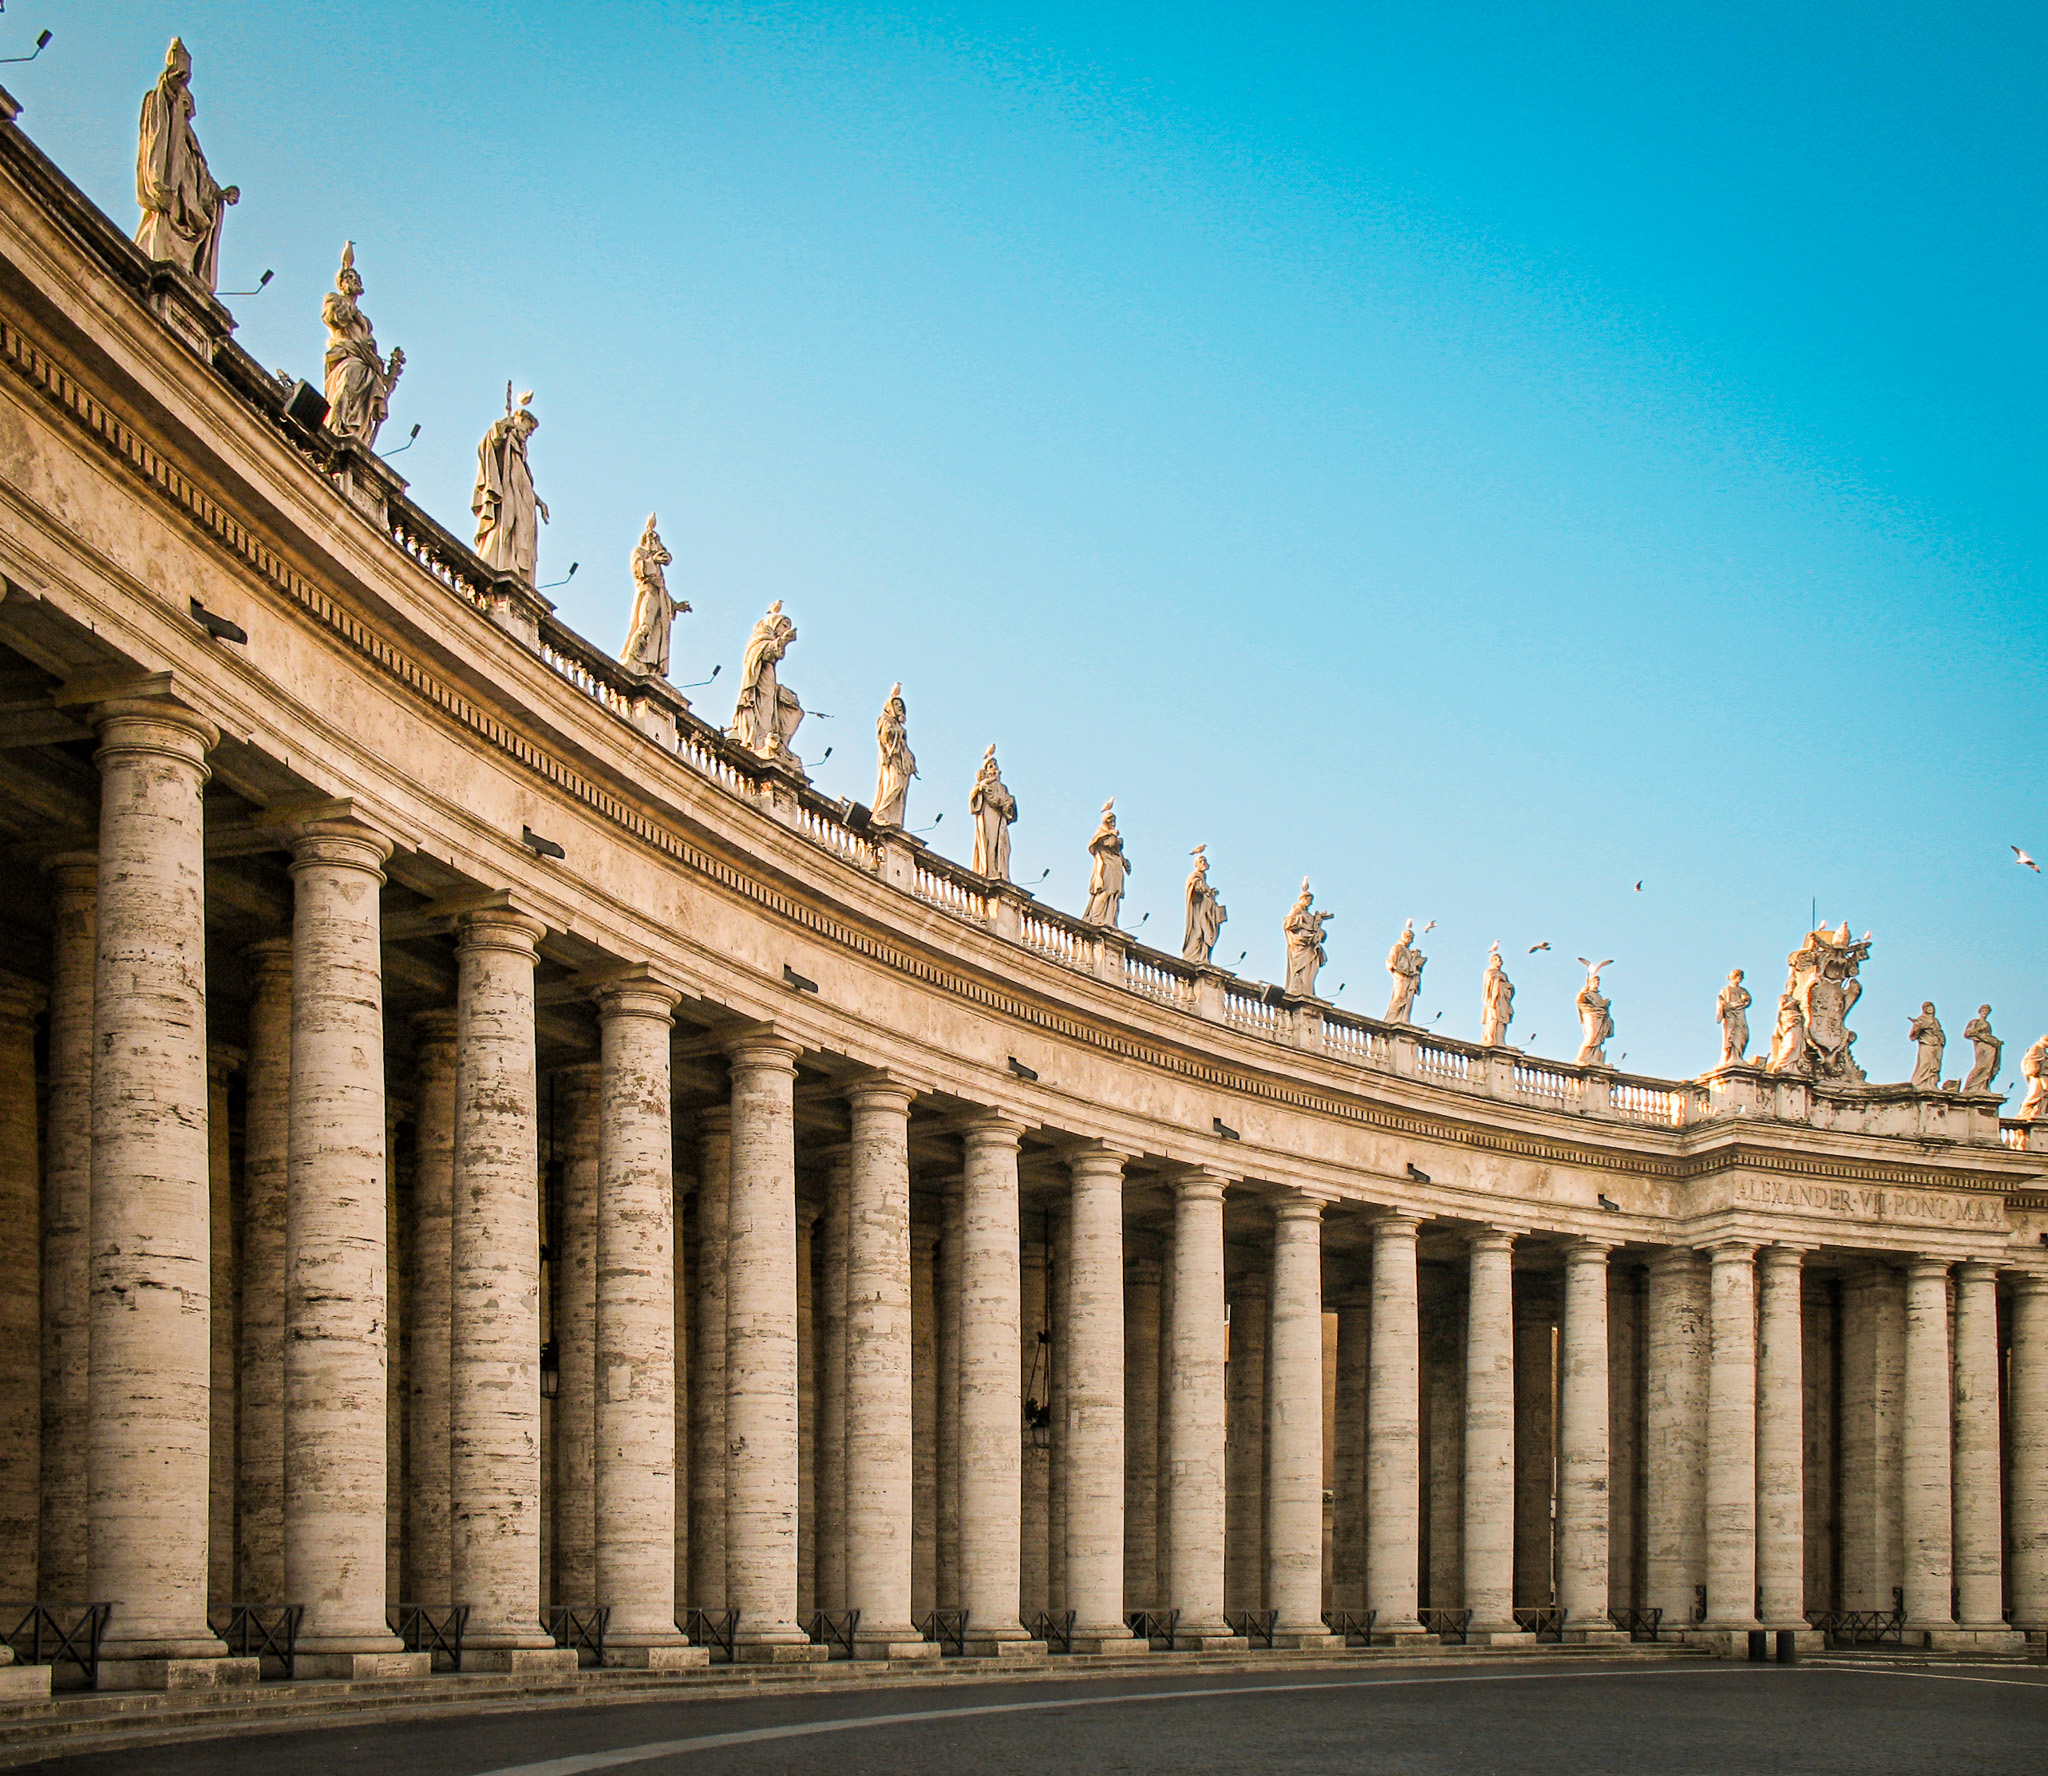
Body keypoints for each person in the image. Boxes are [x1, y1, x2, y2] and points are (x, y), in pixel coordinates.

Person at [135, 39, 238, 291]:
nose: (186, 103)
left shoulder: (189, 138)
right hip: (172, 197)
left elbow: (200, 171)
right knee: (161, 241)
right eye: (181, 97)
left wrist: (219, 193)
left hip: (189, 202)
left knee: (192, 234)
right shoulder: (163, 109)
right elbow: (156, 133)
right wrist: (169, 88)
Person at [322, 243, 404, 448]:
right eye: (349, 278)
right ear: (341, 283)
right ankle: (337, 430)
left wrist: (388, 370)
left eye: (357, 278)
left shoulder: (365, 321)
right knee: (343, 393)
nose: (355, 281)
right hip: (348, 358)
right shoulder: (335, 301)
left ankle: (357, 438)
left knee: (365, 407)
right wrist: (348, 303)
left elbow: (369, 347)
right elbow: (333, 318)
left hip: (367, 366)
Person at [472, 389, 547, 582]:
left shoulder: (520, 455)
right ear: (518, 420)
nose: (529, 434)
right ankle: (494, 567)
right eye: (528, 428)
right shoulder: (505, 441)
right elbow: (489, 443)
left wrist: (538, 501)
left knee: (521, 541)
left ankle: (515, 574)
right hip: (508, 498)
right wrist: (505, 425)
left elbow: (524, 482)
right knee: (503, 532)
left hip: (524, 506)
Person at [621, 515, 682, 678]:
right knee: (645, 626)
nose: (655, 540)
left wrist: (675, 606)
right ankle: (631, 658)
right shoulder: (639, 551)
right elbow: (638, 570)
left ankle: (648, 664)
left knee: (655, 630)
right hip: (646, 592)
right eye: (652, 538)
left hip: (658, 595)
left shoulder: (656, 563)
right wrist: (652, 560)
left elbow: (662, 587)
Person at [872, 684, 917, 827]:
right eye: (896, 704)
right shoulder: (885, 720)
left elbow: (903, 745)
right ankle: (880, 812)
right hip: (891, 758)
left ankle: (894, 818)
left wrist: (910, 758)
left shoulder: (900, 726)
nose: (899, 707)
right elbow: (884, 737)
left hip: (901, 761)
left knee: (901, 789)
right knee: (895, 784)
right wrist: (896, 732)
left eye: (901, 705)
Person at [970, 747, 1016, 880]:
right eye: (990, 766)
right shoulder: (984, 785)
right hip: (988, 816)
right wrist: (1005, 802)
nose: (994, 767)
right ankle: (990, 872)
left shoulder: (1003, 788)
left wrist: (1009, 804)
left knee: (1003, 846)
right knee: (989, 843)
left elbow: (1009, 811)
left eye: (995, 764)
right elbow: (992, 799)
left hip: (999, 819)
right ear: (986, 770)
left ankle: (1000, 872)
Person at [1084, 803, 1128, 926]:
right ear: (1105, 821)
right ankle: (1096, 919)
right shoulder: (1102, 835)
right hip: (1106, 866)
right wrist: (1114, 836)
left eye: (1114, 820)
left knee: (1114, 895)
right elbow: (1108, 844)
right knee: (1104, 892)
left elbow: (1117, 850)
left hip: (1116, 867)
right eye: (1110, 820)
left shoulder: (1111, 835)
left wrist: (1124, 861)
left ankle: (1110, 921)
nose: (1113, 822)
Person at [1182, 846, 1226, 965]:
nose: (1203, 863)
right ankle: (1194, 956)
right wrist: (1206, 891)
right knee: (1198, 934)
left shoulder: (1202, 878)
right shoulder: (1194, 876)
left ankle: (1203, 957)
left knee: (1206, 934)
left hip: (1205, 912)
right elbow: (1195, 888)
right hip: (1198, 912)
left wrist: (1210, 894)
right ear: (1196, 864)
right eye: (1201, 861)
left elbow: (1204, 891)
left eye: (1204, 861)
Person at [1716, 969, 1752, 1067]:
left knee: (1743, 1034)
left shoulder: (1743, 991)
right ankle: (1731, 1057)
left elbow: (1747, 1002)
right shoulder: (1725, 990)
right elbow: (1722, 1003)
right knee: (1731, 1035)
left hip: (1740, 1014)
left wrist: (1741, 1003)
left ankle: (1738, 1056)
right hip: (1731, 1016)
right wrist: (1728, 1006)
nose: (1740, 978)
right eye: (1738, 976)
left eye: (1741, 976)